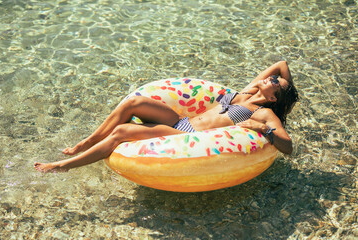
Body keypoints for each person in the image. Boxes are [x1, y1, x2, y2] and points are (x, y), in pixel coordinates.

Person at [34, 61, 298, 173]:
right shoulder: (243, 95)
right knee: (133, 103)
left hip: (188, 136)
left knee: (122, 133)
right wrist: (287, 89)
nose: (271, 77)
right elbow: (282, 64)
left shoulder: (262, 112)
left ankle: (62, 166)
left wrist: (265, 130)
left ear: (274, 98)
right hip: (178, 122)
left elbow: (288, 146)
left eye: (274, 82)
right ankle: (85, 143)